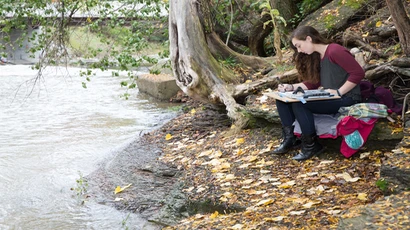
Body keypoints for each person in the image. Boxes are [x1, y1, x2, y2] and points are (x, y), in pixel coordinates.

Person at [271, 26, 365, 161]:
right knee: (282, 100)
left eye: (299, 46)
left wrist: (339, 92)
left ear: (309, 39)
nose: (299, 50)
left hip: (347, 98)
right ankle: (290, 139)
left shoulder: (335, 50)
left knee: (300, 104)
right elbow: (313, 83)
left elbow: (358, 73)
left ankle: (311, 145)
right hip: (331, 97)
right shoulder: (318, 56)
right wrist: (290, 87)